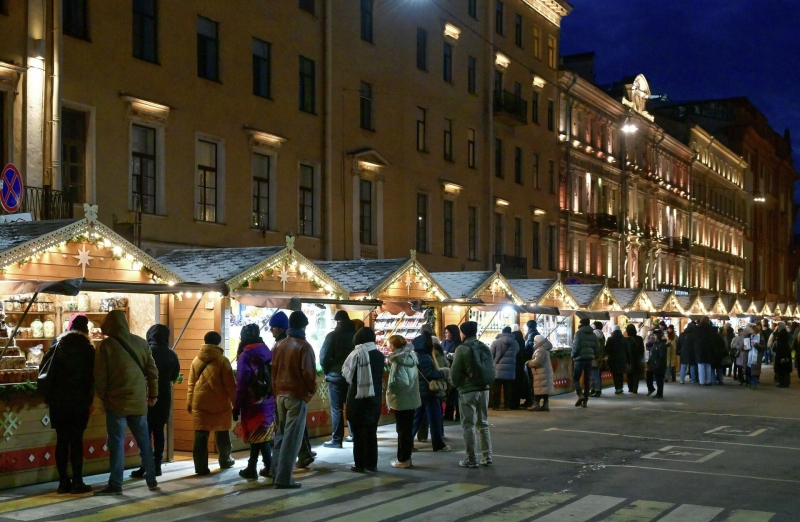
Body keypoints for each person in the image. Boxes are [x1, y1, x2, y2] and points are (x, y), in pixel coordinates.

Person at [93, 310, 160, 495]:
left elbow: (100, 377)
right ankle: (152, 480)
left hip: (116, 403)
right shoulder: (141, 342)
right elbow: (152, 371)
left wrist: (103, 397)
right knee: (145, 442)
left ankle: (116, 484)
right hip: (138, 402)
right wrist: (152, 394)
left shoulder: (105, 346)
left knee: (116, 444)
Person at [40, 314, 95, 494]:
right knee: (76, 441)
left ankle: (63, 482)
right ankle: (78, 481)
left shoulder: (57, 345)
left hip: (58, 402)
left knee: (62, 440)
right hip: (79, 402)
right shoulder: (88, 349)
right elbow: (92, 377)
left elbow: (44, 370)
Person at [270, 311, 317, 488]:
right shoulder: (304, 346)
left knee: (280, 435)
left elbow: (273, 372)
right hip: (296, 395)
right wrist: (309, 393)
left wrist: (276, 393)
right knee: (292, 438)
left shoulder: (279, 345)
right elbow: (309, 374)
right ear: (304, 326)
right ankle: (283, 478)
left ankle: (274, 472)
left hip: (280, 395)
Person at [130, 324, 179, 479]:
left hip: (145, 395)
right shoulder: (172, 355)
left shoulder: (145, 352)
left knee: (145, 432)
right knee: (158, 431)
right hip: (164, 396)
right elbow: (174, 376)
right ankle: (157, 466)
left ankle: (145, 465)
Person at [187, 331, 236, 476]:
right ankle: (225, 459)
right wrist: (236, 402)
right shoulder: (223, 360)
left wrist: (189, 402)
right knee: (222, 431)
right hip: (219, 402)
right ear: (219, 342)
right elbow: (230, 385)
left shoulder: (196, 360)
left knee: (201, 434)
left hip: (200, 402)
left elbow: (191, 384)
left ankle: (200, 467)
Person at [234, 324, 276, 480]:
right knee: (260, 435)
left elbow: (241, 383)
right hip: (268, 399)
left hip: (252, 402)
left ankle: (268, 467)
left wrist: (236, 405)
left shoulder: (246, 355)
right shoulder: (267, 351)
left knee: (258, 434)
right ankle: (255, 467)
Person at [450, 321, 492, 468]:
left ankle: (472, 458)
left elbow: (454, 372)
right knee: (483, 423)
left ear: (464, 333)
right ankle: (487, 456)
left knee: (468, 425)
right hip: (484, 389)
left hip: (468, 390)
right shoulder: (484, 346)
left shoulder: (461, 349)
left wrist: (456, 385)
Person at [343, 327, 384, 473]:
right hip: (375, 397)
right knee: (371, 432)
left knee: (359, 433)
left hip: (357, 397)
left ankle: (360, 464)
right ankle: (372, 464)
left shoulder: (356, 355)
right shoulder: (379, 356)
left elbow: (350, 377)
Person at [319, 310, 356, 449]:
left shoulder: (332, 336)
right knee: (351, 406)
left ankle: (337, 439)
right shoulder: (355, 336)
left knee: (337, 409)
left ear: (337, 321)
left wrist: (327, 370)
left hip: (336, 376)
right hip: (351, 376)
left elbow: (324, 356)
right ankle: (353, 435)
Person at [411, 331, 451, 452]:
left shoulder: (418, 355)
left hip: (422, 391)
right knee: (435, 418)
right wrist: (443, 373)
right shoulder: (425, 356)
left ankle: (407, 442)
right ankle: (438, 444)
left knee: (417, 418)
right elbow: (428, 373)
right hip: (429, 391)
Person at [386, 335, 421, 468]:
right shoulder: (410, 357)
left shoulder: (398, 361)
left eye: (390, 344)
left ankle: (403, 459)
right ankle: (406, 458)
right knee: (406, 430)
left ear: (394, 346)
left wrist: (391, 389)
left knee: (402, 431)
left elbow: (399, 383)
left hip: (402, 400)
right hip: (410, 399)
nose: (388, 346)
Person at [489, 326, 519, 410]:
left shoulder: (495, 342)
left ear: (502, 332)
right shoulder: (515, 343)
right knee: (508, 389)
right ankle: (507, 406)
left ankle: (496, 406)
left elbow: (491, 354)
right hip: (510, 369)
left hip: (498, 368)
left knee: (496, 388)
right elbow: (516, 352)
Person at [572, 317, 598, 407]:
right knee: (587, 380)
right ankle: (585, 401)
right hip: (589, 359)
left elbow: (576, 346)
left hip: (579, 359)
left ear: (581, 323)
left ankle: (580, 395)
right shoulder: (593, 334)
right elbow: (597, 347)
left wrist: (573, 355)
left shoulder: (578, 333)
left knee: (576, 378)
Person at [526, 334, 553, 412]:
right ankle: (545, 405)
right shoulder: (545, 348)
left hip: (540, 372)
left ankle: (536, 404)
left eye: (535, 341)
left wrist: (529, 363)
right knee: (544, 389)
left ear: (539, 342)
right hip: (545, 372)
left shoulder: (540, 350)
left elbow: (537, 362)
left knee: (538, 389)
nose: (534, 343)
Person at [441, 324, 462, 422]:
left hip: (456, 371)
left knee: (455, 394)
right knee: (449, 394)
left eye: (447, 332)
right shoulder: (443, 343)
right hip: (446, 371)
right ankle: (448, 415)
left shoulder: (459, 344)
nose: (446, 334)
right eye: (445, 332)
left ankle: (458, 415)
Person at [605, 325, 629, 394]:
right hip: (622, 359)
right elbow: (627, 350)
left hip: (613, 359)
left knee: (615, 374)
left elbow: (607, 349)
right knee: (620, 373)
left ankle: (617, 388)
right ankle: (620, 387)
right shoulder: (624, 339)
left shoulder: (610, 339)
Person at [694, 317, 718, 386]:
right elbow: (713, 341)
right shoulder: (711, 329)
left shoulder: (697, 329)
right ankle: (708, 380)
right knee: (708, 365)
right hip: (709, 349)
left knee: (701, 365)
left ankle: (702, 381)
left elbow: (695, 340)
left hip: (700, 349)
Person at [510, 324, 529, 409]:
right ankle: (520, 401)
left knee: (514, 385)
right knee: (520, 383)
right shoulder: (521, 338)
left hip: (513, 363)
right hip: (520, 364)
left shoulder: (513, 339)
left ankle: (514, 403)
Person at [646, 328, 668, 399]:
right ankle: (651, 388)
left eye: (655, 335)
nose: (654, 336)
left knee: (659, 379)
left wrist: (658, 364)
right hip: (653, 363)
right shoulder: (656, 343)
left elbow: (662, 356)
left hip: (659, 365)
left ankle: (659, 393)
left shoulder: (661, 344)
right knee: (649, 375)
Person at [625, 323, 645, 394]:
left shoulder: (626, 340)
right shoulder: (639, 338)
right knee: (636, 374)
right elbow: (642, 349)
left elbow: (625, 350)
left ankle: (630, 388)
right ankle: (635, 388)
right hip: (637, 359)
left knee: (629, 374)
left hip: (629, 359)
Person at [772, 321, 792, 388]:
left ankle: (783, 383)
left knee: (782, 370)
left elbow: (781, 346)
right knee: (786, 371)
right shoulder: (786, 334)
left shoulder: (781, 335)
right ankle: (785, 382)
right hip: (786, 355)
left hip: (782, 355)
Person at [589, 321, 606, 397]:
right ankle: (596, 389)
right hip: (600, 357)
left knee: (594, 374)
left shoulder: (593, 334)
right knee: (597, 374)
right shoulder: (602, 335)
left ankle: (596, 390)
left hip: (594, 357)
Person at [747, 324, 765, 389]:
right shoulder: (750, 336)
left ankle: (753, 384)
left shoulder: (760, 337)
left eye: (752, 329)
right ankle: (750, 383)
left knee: (754, 371)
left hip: (756, 356)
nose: (750, 330)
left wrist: (756, 345)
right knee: (749, 370)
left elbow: (763, 347)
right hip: (750, 355)